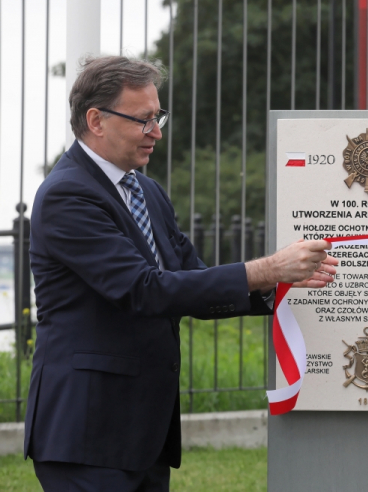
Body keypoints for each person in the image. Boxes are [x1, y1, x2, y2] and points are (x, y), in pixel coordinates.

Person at [25, 56, 337, 491]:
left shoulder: (146, 190)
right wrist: (265, 267)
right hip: (88, 434)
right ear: (95, 120)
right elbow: (144, 289)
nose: (157, 132)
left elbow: (191, 278)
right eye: (143, 120)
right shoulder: (67, 196)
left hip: (143, 435)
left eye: (159, 117)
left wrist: (275, 282)